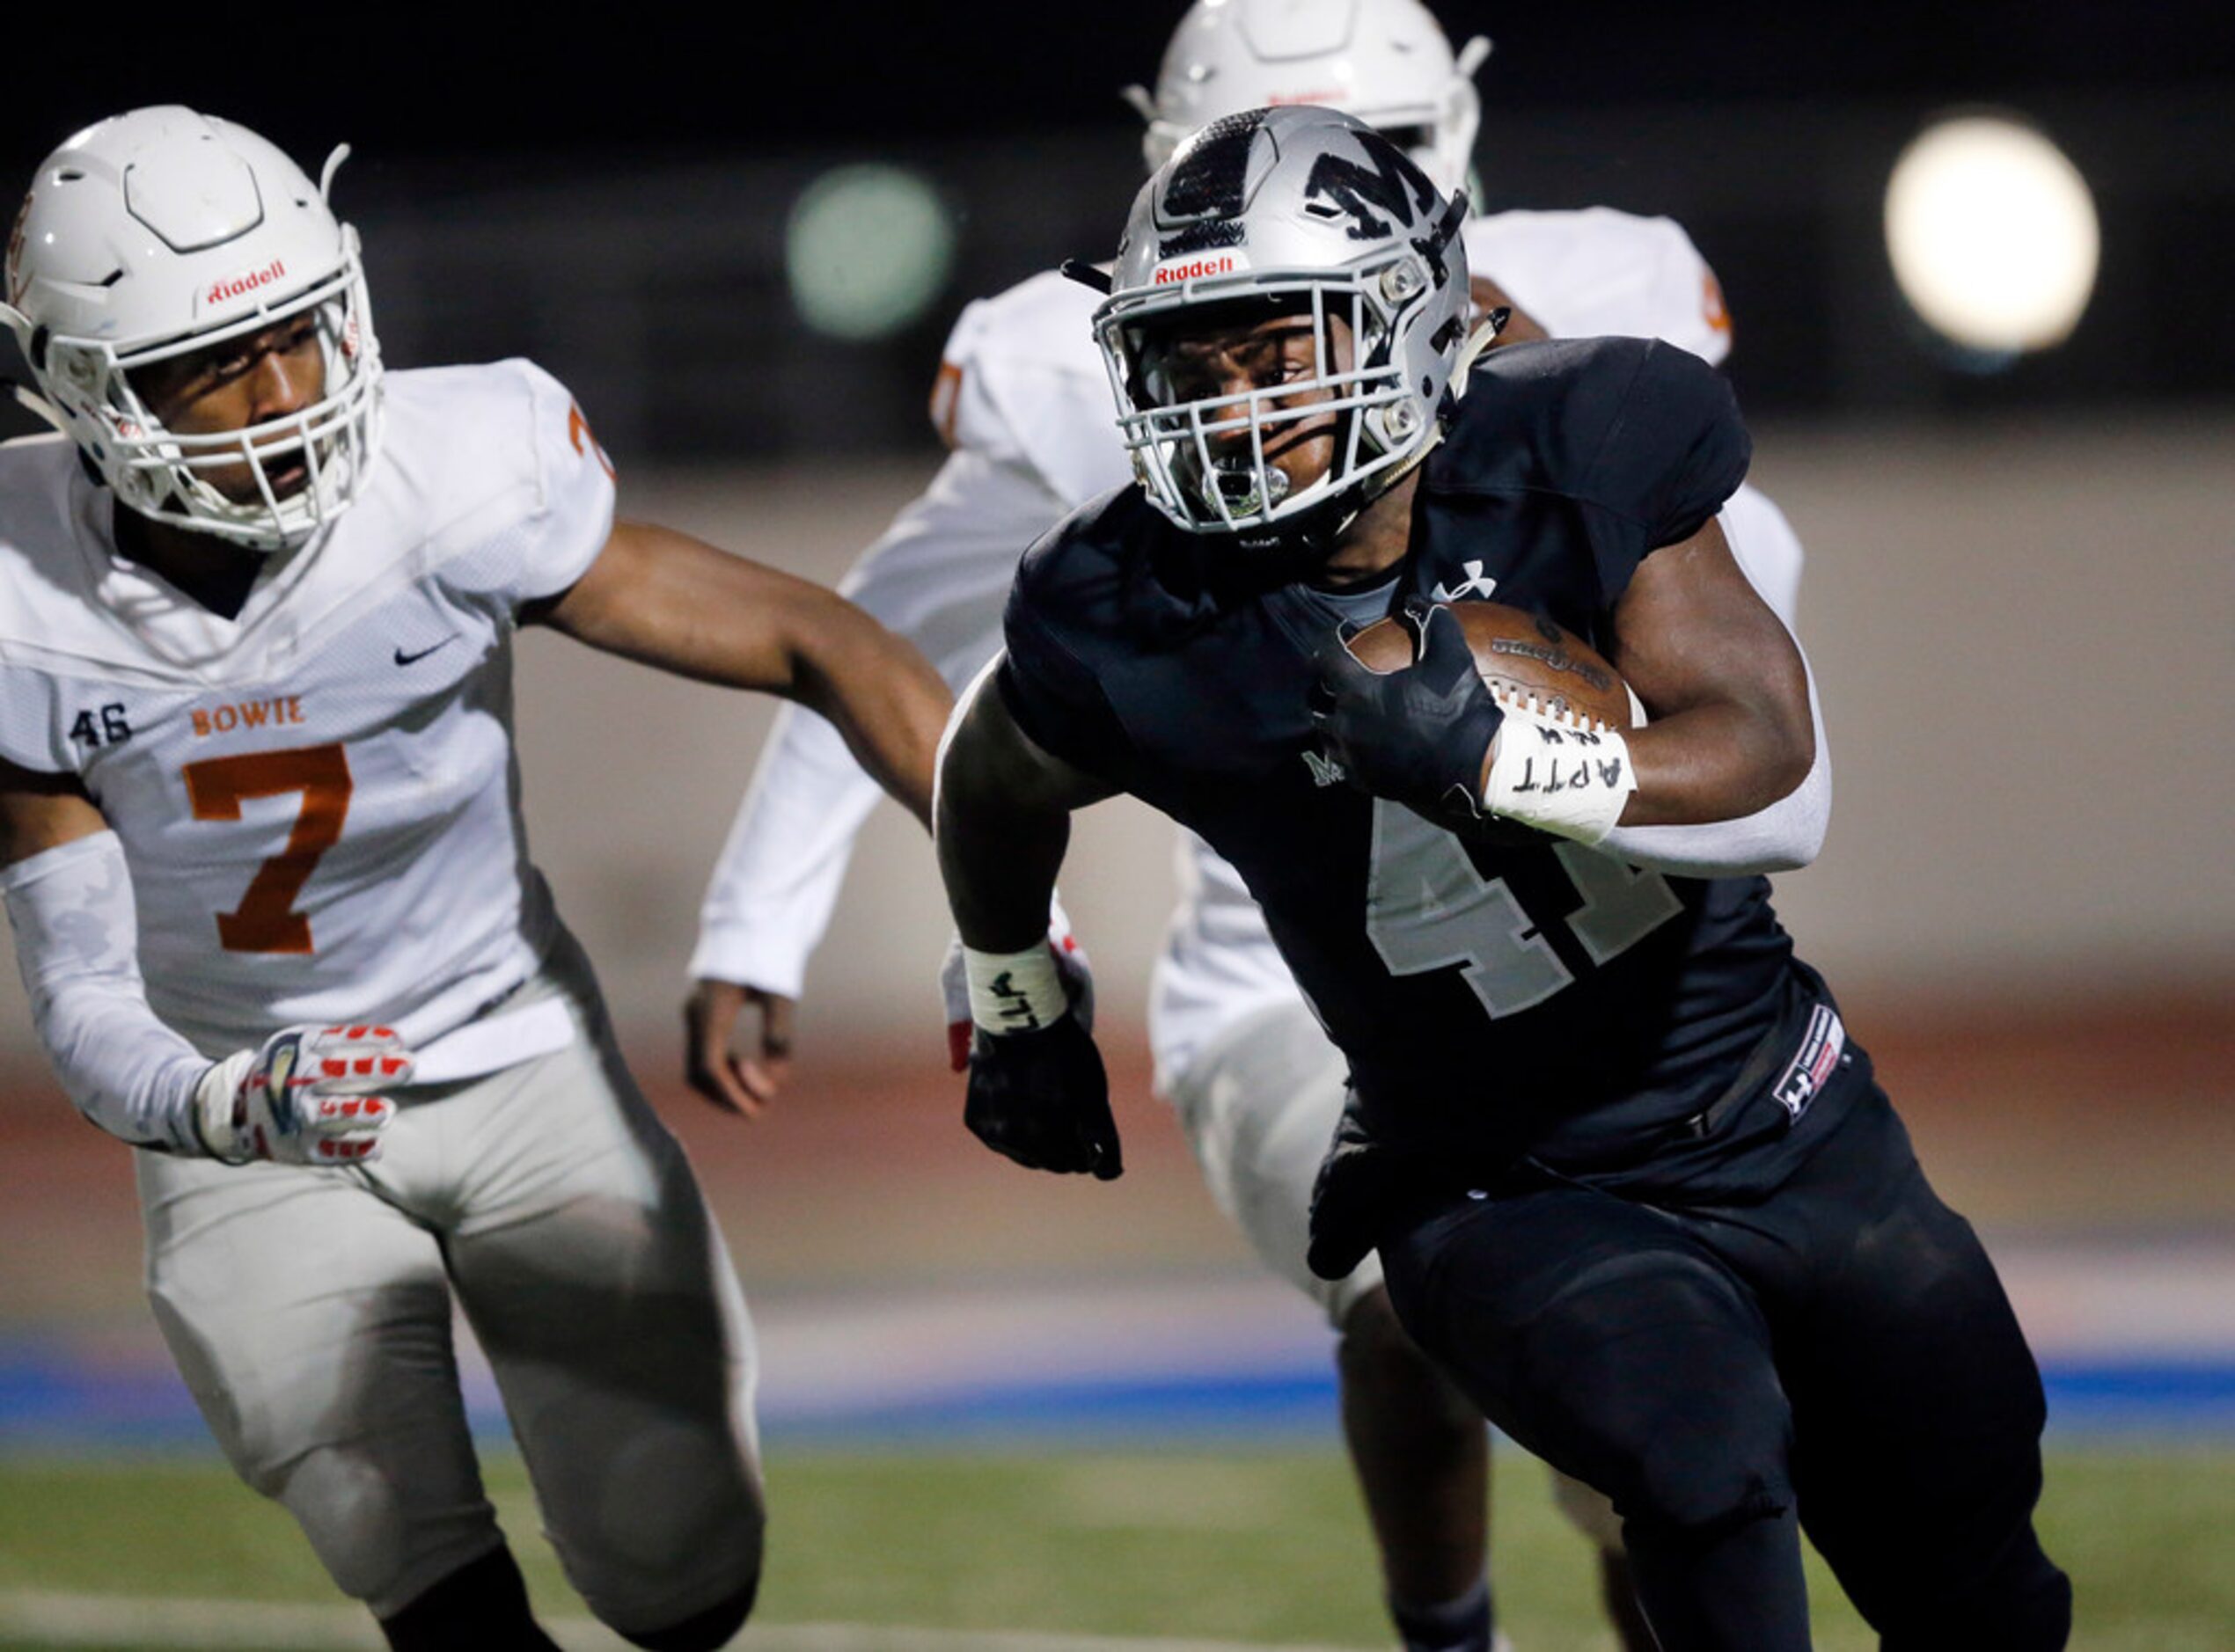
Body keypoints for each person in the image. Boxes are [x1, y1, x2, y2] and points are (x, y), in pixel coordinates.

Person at [686, 4, 1792, 1646]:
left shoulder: (1615, 291)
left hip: (1601, 930)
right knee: (1407, 1300)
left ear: (1458, 141)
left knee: (1667, 1425)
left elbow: (1748, 597)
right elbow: (892, 627)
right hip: (1300, 982)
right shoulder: (1093, 352)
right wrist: (758, 921)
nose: (1329, 203)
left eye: (1390, 157)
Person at [934, 105, 2071, 1652]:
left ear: (1407, 317)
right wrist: (1015, 997)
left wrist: (1513, 759)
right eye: (1191, 358)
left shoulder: (1577, 440)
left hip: (1782, 1109)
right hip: (1494, 1180)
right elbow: (986, 774)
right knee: (1702, 1464)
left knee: (1981, 1572)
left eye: (1274, 345)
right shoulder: (1127, 604)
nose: (1229, 399)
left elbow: (1775, 768)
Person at [0, 107, 950, 1651]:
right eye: (209, 366)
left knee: (682, 1568)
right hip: (242, 1098)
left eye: (299, 336)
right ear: (79, 392)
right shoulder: (19, 592)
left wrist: (1009, 911)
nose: (281, 395)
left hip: (517, 1056)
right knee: (385, 1516)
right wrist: (231, 1105)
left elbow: (819, 639)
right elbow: (85, 992)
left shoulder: (459, 463)